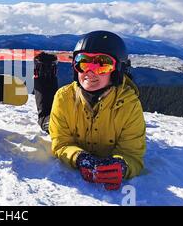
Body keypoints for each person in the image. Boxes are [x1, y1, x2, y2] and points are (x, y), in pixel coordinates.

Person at [48, 31, 146, 190]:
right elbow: (61, 143)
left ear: (116, 70)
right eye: (83, 62)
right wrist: (79, 158)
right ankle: (44, 72)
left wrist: (121, 165)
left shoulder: (129, 105)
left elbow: (133, 155)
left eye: (102, 64)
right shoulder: (64, 98)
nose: (90, 71)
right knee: (45, 121)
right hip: (60, 117)